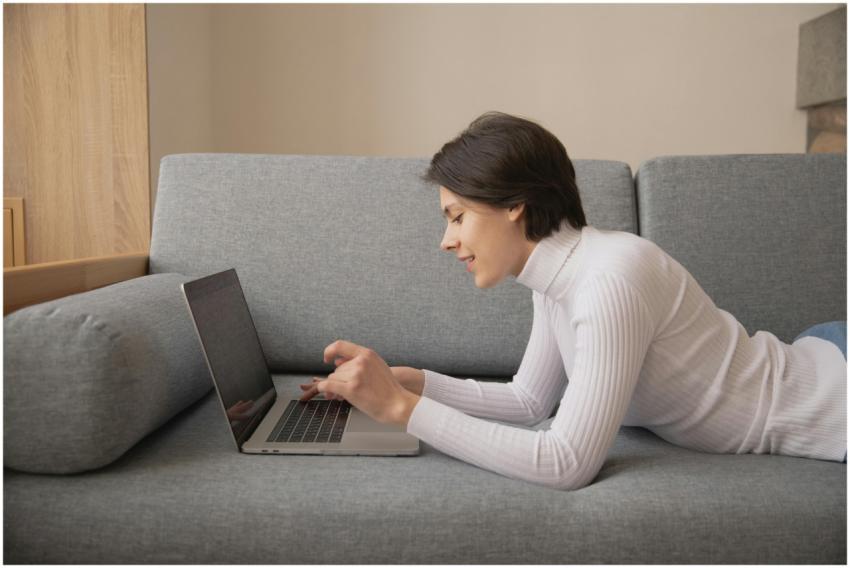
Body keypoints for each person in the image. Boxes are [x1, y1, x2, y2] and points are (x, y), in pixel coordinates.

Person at [300, 111, 847, 490]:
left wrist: (401, 410)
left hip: (830, 392)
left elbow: (566, 463)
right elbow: (529, 401)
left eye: (457, 216)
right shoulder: (557, 277)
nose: (446, 240)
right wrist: (411, 381)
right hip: (816, 349)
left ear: (515, 204)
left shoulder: (609, 278)